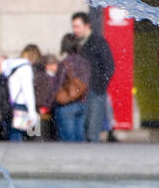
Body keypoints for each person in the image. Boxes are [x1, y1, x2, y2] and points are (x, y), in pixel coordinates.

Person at [71, 11, 115, 142]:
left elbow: (109, 66)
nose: (75, 30)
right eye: (73, 26)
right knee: (83, 129)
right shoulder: (76, 44)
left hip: (95, 90)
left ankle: (92, 159)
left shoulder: (98, 42)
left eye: (77, 26)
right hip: (82, 92)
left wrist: (100, 86)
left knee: (92, 129)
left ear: (87, 25)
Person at [46, 33, 91, 142]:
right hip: (83, 103)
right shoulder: (85, 62)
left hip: (67, 105)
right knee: (80, 139)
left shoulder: (64, 63)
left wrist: (48, 104)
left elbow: (57, 86)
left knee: (67, 141)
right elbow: (88, 83)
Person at [0, 45, 42, 141]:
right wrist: (32, 110)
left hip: (10, 105)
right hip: (21, 106)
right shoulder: (25, 68)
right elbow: (28, 90)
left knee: (13, 134)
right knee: (20, 137)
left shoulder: (11, 66)